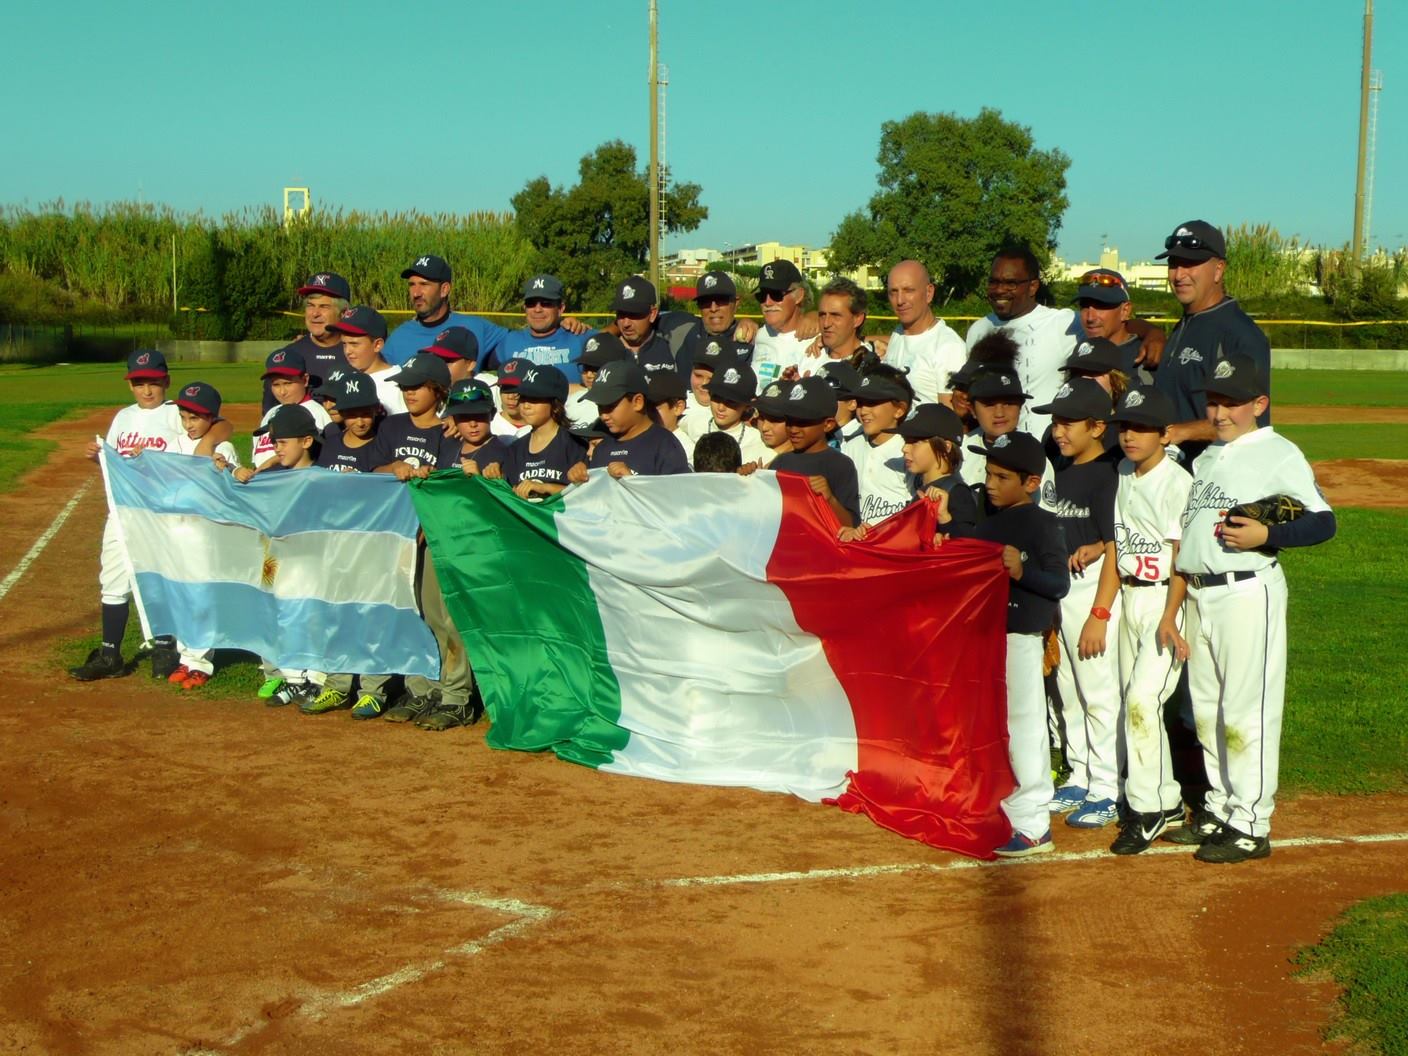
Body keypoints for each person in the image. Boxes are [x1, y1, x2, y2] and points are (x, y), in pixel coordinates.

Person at [1167, 354, 1335, 862]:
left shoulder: (1277, 451)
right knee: (1208, 712)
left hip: (1247, 591)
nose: (1220, 413)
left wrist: (1270, 534)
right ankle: (1221, 808)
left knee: (1247, 710)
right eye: (1214, 402)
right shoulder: (1209, 456)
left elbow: (1324, 521)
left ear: (1259, 404)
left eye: (1232, 404)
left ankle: (1252, 822)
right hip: (1200, 593)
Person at [948, 432, 1070, 857]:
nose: (992, 483)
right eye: (988, 474)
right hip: (987, 639)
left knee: (1025, 727)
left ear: (1031, 483)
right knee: (995, 727)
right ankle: (1005, 809)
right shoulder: (987, 523)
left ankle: (1034, 824)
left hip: (1020, 638)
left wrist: (1022, 570)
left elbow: (1059, 583)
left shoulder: (1043, 523)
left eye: (1002, 476)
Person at [1104, 386, 1194, 855]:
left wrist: (1170, 617)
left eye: (1141, 428)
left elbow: (1182, 557)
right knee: (1133, 704)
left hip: (1165, 602)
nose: (1130, 436)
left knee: (1142, 700)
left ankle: (1148, 811)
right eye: (1125, 427)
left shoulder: (1177, 482)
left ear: (1163, 434)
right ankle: (1168, 800)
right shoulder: (1123, 472)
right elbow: (1118, 543)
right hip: (1130, 599)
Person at [1030, 379, 1123, 829]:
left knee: (1098, 693)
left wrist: (1099, 616)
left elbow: (1116, 545)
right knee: (1067, 689)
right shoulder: (1061, 471)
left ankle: (1108, 786)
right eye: (1055, 422)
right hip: (1062, 590)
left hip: (1092, 594)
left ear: (1098, 426)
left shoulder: (1106, 476)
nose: (1058, 431)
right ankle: (1082, 772)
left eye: (1068, 423)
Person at [371, 353, 481, 730]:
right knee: (414, 614)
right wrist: (393, 468)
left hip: (435, 537)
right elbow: (372, 468)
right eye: (404, 386)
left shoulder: (448, 433)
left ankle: (455, 694)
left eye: (416, 386)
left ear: (438, 391)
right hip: (395, 535)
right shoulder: (391, 427)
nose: (408, 393)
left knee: (446, 618)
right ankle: (423, 689)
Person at [1153, 220, 1273, 464]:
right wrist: (1145, 330)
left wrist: (1182, 431)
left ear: (1218, 269)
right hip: (1170, 479)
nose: (1179, 275)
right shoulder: (1185, 324)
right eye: (1174, 265)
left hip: (1213, 479)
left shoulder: (1240, 333)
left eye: (1191, 264)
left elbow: (1254, 421)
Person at [237, 404, 327, 708]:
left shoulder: (322, 478)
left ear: (306, 442)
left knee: (312, 616)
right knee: (278, 614)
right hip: (274, 559)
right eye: (274, 442)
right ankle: (292, 678)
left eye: (282, 442)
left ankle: (316, 679)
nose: (276, 449)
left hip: (310, 561)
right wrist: (230, 471)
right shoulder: (270, 475)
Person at [163, 380, 240, 690]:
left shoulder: (223, 447)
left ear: (212, 418)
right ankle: (185, 655)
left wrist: (223, 468)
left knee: (202, 595)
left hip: (206, 531)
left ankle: (201, 661)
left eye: (195, 418)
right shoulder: (174, 443)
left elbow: (232, 484)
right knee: (181, 592)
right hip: (177, 528)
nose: (188, 424)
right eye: (184, 417)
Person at [381, 254, 512, 368]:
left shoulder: (476, 327)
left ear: (444, 289)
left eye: (424, 284)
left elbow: (521, 344)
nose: (416, 293)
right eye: (412, 285)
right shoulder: (398, 337)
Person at [765, 376, 860, 527]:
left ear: (828, 424)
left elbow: (851, 526)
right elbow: (763, 510)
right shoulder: (781, 462)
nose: (794, 429)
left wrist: (829, 499)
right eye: (789, 421)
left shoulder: (841, 465)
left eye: (803, 422)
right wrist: (749, 479)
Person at [571, 360, 691, 477]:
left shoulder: (665, 445)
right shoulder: (602, 449)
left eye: (610, 406)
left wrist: (633, 482)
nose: (604, 415)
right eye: (600, 407)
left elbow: (677, 493)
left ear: (637, 402)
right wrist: (581, 481)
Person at [958, 368, 1055, 513]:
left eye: (1008, 403)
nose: (999, 413)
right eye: (989, 404)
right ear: (972, 409)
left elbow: (1046, 520)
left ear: (1021, 407)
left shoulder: (1033, 456)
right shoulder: (959, 450)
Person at [483, 365, 587, 498]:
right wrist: (497, 478)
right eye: (523, 398)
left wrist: (545, 488)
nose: (526, 405)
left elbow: (587, 496)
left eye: (534, 399)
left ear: (555, 405)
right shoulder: (515, 449)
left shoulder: (576, 445)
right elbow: (510, 497)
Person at [262, 271, 351, 414]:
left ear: (344, 312)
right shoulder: (289, 356)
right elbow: (270, 413)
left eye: (324, 306)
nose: (314, 313)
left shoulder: (358, 353)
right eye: (310, 305)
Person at [882, 260, 967, 407]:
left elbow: (950, 418)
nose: (900, 300)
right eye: (893, 292)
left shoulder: (949, 347)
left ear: (929, 292)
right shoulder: (898, 333)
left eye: (909, 290)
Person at [840, 365, 915, 530]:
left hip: (893, 545)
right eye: (860, 403)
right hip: (856, 544)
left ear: (899, 410)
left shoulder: (910, 449)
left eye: (872, 402)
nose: (863, 410)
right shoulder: (850, 446)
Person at [247, 347, 333, 472]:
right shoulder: (271, 413)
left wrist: (270, 464)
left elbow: (316, 456)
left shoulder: (316, 413)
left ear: (305, 380)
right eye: (276, 385)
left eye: (288, 383)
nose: (282, 392)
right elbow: (258, 457)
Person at [897, 403, 978, 531]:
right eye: (905, 441)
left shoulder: (957, 493)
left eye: (915, 442)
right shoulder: (919, 486)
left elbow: (967, 545)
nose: (904, 448)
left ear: (946, 447)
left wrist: (944, 518)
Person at [495, 274, 588, 383]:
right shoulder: (509, 341)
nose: (537, 309)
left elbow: (610, 338)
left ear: (560, 308)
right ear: (524, 308)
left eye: (546, 303)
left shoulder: (580, 337)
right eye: (531, 303)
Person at [1073, 268, 1148, 383]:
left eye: (1100, 306)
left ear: (1125, 311)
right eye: (1084, 306)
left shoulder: (1146, 357)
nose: (1090, 317)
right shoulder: (1077, 351)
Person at [328, 306, 407, 415]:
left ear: (377, 345)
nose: (347, 351)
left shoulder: (399, 384)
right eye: (344, 344)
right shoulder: (345, 378)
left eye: (354, 344)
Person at [678, 270, 755, 376]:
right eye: (705, 301)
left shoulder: (750, 337)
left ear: (736, 303)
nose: (713, 308)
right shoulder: (691, 336)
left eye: (721, 300)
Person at [751, 260, 815, 388]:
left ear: (799, 295)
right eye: (762, 295)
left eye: (776, 294)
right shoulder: (757, 334)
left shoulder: (817, 340)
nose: (767, 302)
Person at [704, 363, 773, 466]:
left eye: (731, 402)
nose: (721, 408)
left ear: (747, 406)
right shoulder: (691, 424)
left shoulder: (757, 441)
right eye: (716, 398)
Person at [315, 372, 384, 474]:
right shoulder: (331, 443)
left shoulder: (382, 448)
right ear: (342, 413)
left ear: (376, 409)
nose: (360, 423)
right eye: (352, 415)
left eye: (366, 414)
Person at [678, 339, 740, 446]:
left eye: (711, 378)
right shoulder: (675, 403)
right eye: (698, 376)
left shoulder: (738, 411)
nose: (704, 384)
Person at [610, 277, 677, 375]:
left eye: (633, 314)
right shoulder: (605, 350)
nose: (626, 324)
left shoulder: (671, 348)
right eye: (621, 314)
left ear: (652, 314)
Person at [446, 378, 512, 474]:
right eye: (464, 417)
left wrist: (480, 478)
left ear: (492, 414)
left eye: (479, 416)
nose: (473, 424)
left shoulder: (504, 455)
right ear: (454, 419)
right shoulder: (446, 446)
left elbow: (507, 488)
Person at [567, 333, 629, 429]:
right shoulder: (572, 402)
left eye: (596, 369)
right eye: (585, 368)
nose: (589, 375)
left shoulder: (625, 406)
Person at [814, 277, 876, 367]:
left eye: (835, 315)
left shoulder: (870, 366)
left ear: (857, 319)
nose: (826, 324)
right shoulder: (810, 357)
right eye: (822, 315)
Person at [648, 371, 697, 466]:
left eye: (654, 407)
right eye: (644, 406)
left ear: (678, 408)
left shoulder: (687, 452)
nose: (647, 413)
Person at [751, 381, 797, 464]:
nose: (764, 427)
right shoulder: (747, 443)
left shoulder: (802, 462)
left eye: (774, 420)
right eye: (761, 417)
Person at [491, 358, 532, 439]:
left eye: (516, 390)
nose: (510, 397)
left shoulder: (546, 428)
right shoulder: (487, 428)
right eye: (505, 389)